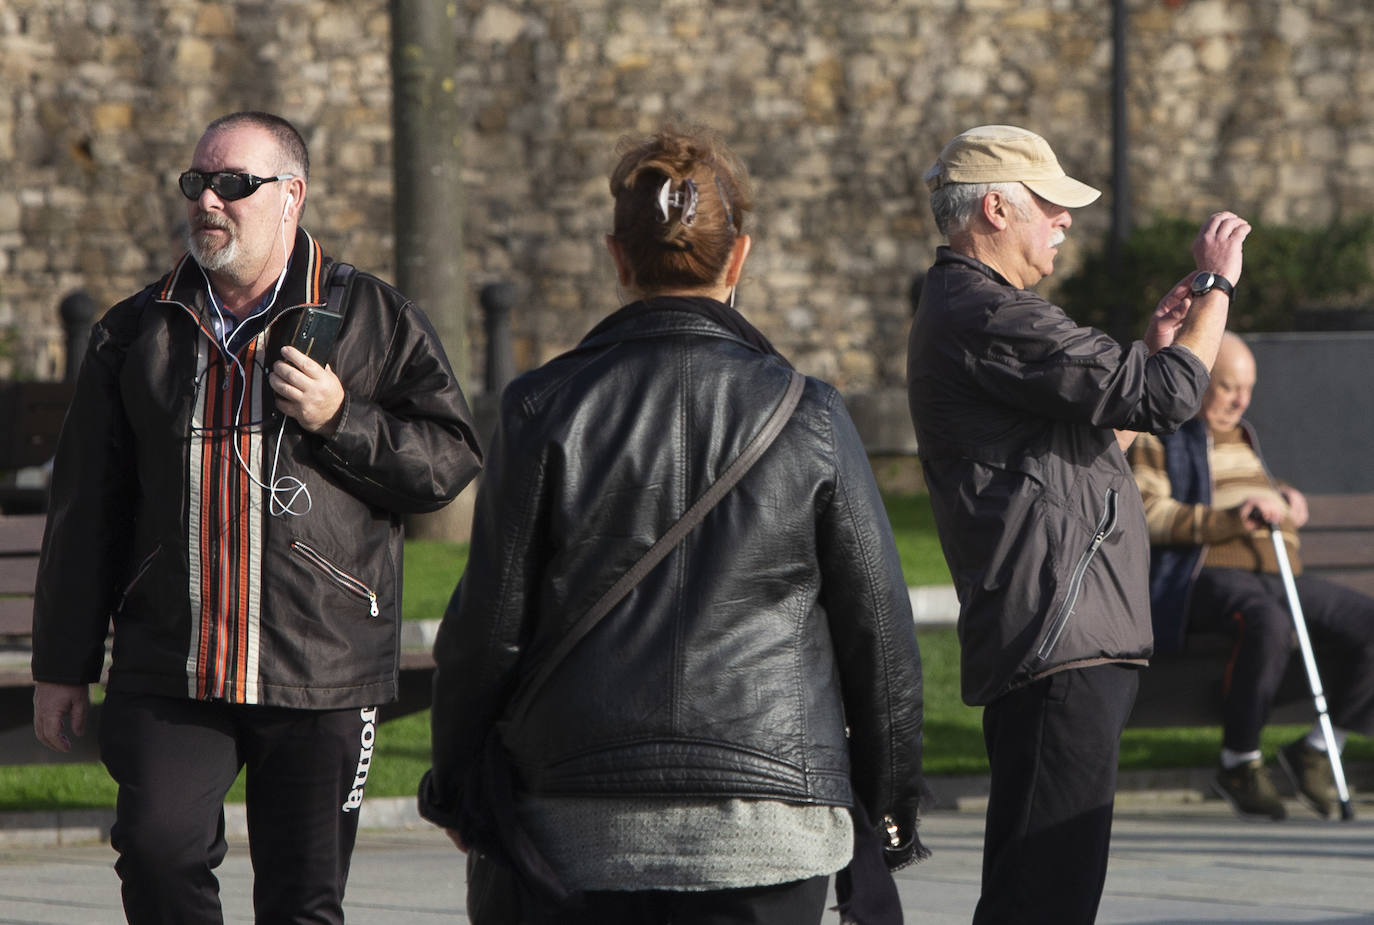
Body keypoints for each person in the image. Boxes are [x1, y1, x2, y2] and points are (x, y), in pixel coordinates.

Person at [418, 125, 927, 925]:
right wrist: (887, 809)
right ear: (741, 255)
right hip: (770, 823)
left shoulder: (542, 407)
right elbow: (881, 636)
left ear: (618, 257)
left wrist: (454, 787)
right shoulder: (812, 415)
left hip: (578, 815)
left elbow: (487, 629)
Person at [30, 110, 482, 924]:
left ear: (290, 196)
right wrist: (61, 663)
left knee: (302, 901)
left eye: (233, 184)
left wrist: (343, 418)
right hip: (175, 665)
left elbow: (448, 459)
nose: (209, 199)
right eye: (196, 181)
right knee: (157, 856)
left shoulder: (374, 319)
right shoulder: (136, 330)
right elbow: (85, 508)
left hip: (321, 667)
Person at [906, 124, 1250, 924]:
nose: (1066, 220)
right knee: (1042, 899)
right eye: (1051, 205)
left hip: (1062, 638)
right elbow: (1169, 397)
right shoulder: (988, 313)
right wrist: (1215, 285)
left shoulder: (975, 312)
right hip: (1057, 640)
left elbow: (1107, 432)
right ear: (995, 207)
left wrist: (1163, 341)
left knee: (1046, 888)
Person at [1129, 331, 1374, 820]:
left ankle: (1320, 749)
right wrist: (1231, 519)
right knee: (1265, 622)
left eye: (1248, 388)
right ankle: (1239, 761)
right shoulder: (1159, 434)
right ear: (1196, 382)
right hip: (1207, 574)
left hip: (1280, 577)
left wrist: (1285, 497)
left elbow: (1249, 487)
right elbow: (1148, 513)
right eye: (1227, 387)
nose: (1241, 400)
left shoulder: (1242, 436)